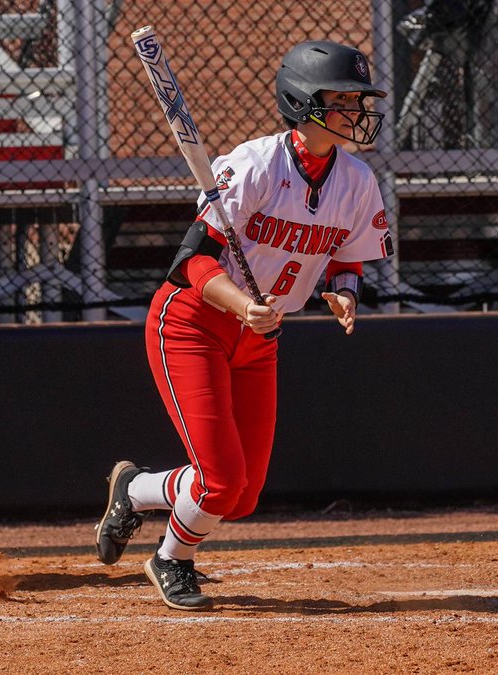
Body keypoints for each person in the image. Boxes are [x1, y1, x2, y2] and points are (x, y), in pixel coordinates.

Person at [94, 40, 395, 610]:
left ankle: (134, 491)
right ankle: (170, 559)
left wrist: (344, 292)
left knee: (242, 495)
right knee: (221, 480)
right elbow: (190, 263)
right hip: (191, 324)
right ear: (304, 102)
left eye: (359, 99)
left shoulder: (357, 181)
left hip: (259, 337)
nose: (356, 111)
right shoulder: (254, 164)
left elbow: (345, 256)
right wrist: (240, 303)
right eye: (343, 99)